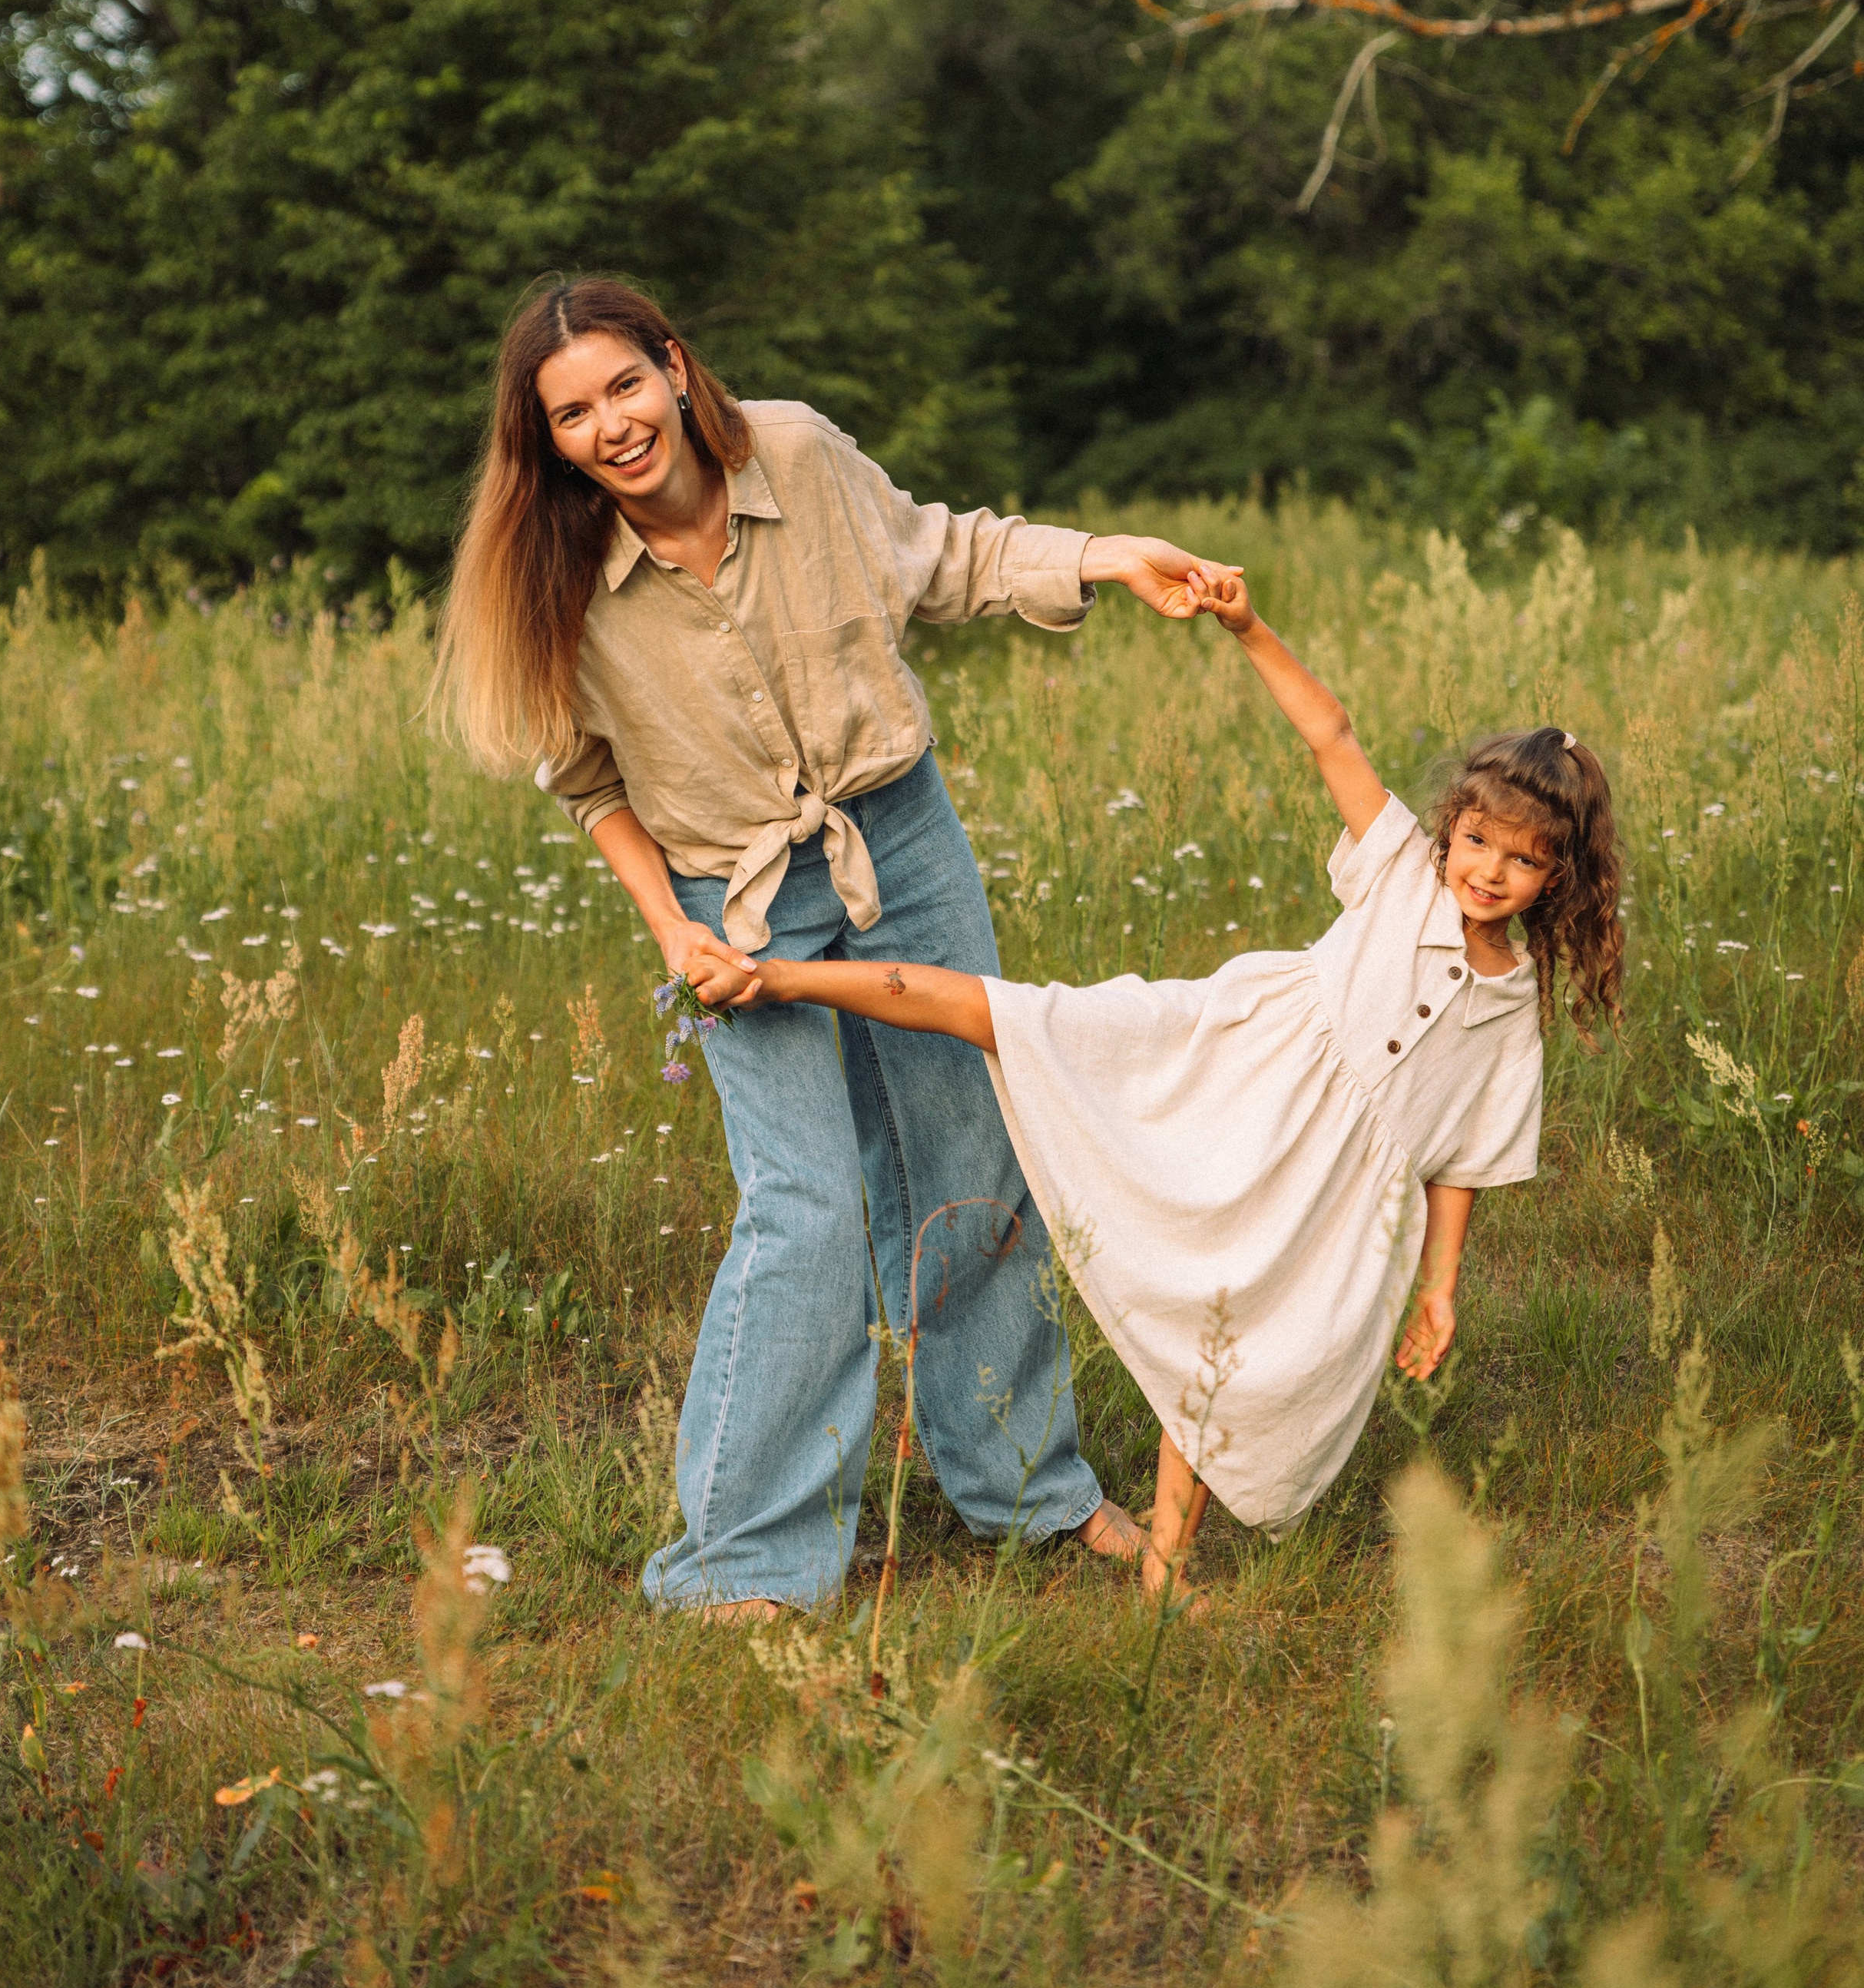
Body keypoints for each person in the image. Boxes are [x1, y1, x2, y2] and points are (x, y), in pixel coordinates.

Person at [430, 277, 1237, 1615]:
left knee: (974, 1161)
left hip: (901, 844)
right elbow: (587, 782)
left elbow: (945, 552)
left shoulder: (797, 454)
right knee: (805, 1206)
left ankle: (1027, 1489)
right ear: (548, 442)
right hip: (731, 898)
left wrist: (1106, 555)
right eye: (571, 414)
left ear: (674, 367)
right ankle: (741, 1558)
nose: (611, 425)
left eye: (624, 385)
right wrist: (673, 931)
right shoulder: (555, 572)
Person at [724, 568, 1625, 1607]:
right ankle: (779, 977)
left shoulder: (1511, 1009)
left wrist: (1439, 1287)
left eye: (1523, 861)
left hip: (1325, 1191)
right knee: (1022, 1019)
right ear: (1452, 826)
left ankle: (1165, 1562)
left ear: (1560, 875)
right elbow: (1331, 734)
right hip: (1230, 1071)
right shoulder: (1399, 876)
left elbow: (1461, 1158)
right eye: (1477, 841)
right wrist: (1248, 626)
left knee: (1228, 1335)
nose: (1490, 872)